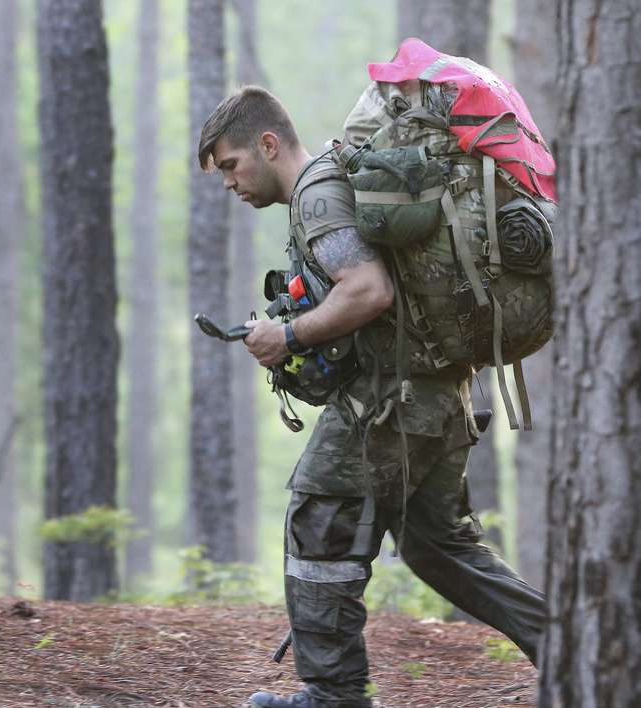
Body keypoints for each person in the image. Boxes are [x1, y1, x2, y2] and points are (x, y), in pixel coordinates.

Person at [198, 85, 547, 708]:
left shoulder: (316, 196)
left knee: (320, 522)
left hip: (390, 402)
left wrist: (289, 335)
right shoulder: (332, 185)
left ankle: (333, 697)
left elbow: (367, 292)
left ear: (268, 144)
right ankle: (578, 650)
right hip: (439, 396)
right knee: (438, 546)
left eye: (231, 164)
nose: (229, 182)